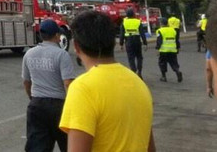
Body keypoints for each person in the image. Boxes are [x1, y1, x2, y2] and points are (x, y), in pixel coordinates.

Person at [59, 11, 155, 152]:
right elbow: (150, 147)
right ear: (113, 42)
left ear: (77, 46)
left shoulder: (82, 88)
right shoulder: (138, 83)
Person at [22, 19, 75, 152]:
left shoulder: (29, 54)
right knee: (68, 145)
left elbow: (26, 81)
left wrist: (32, 97)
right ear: (57, 36)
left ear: (41, 35)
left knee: (37, 146)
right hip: (58, 106)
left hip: (36, 104)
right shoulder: (62, 55)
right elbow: (68, 83)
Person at [119, 8, 147, 78]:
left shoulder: (124, 23)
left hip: (129, 41)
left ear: (127, 15)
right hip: (137, 40)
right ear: (133, 14)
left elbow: (122, 34)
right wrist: (145, 43)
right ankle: (139, 71)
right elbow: (142, 33)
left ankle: (133, 71)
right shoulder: (138, 22)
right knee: (139, 57)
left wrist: (121, 44)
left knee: (131, 57)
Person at [156, 18, 182, 82]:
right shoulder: (173, 30)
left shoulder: (160, 31)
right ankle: (177, 71)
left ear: (161, 24)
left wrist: (157, 49)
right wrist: (178, 47)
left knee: (162, 63)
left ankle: (164, 77)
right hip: (172, 50)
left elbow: (159, 41)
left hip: (163, 50)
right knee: (173, 62)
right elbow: (176, 40)